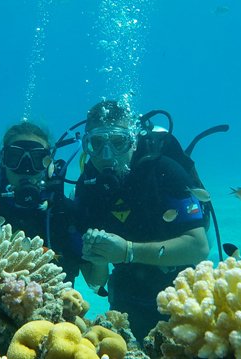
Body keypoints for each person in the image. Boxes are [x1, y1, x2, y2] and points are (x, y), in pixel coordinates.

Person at [74, 100, 210, 341]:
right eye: (96, 143)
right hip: (126, 298)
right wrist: (97, 256)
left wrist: (128, 251)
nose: (107, 156)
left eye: (118, 143)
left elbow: (198, 247)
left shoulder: (163, 171)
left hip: (182, 295)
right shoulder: (87, 187)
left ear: (133, 140)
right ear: (87, 145)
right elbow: (97, 281)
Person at [0, 121, 82, 284]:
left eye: (37, 159)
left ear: (48, 164)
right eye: (15, 157)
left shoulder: (61, 209)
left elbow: (89, 263)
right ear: (3, 161)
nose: (26, 168)